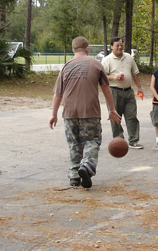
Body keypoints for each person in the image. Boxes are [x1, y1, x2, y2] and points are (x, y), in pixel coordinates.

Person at [49, 36, 121, 189]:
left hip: (69, 113)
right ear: (87, 49)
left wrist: (54, 114)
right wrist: (112, 109)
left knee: (74, 143)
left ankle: (74, 176)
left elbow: (57, 94)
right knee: (92, 140)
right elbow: (106, 89)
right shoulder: (96, 64)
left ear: (73, 50)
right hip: (90, 111)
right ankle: (87, 166)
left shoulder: (65, 67)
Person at [101, 37, 144, 149]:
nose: (120, 47)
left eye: (121, 45)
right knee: (115, 117)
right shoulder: (107, 60)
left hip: (128, 91)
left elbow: (135, 73)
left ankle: (133, 141)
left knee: (132, 116)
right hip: (114, 92)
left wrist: (139, 87)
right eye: (117, 45)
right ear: (111, 47)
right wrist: (114, 77)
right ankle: (119, 140)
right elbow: (102, 76)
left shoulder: (129, 57)